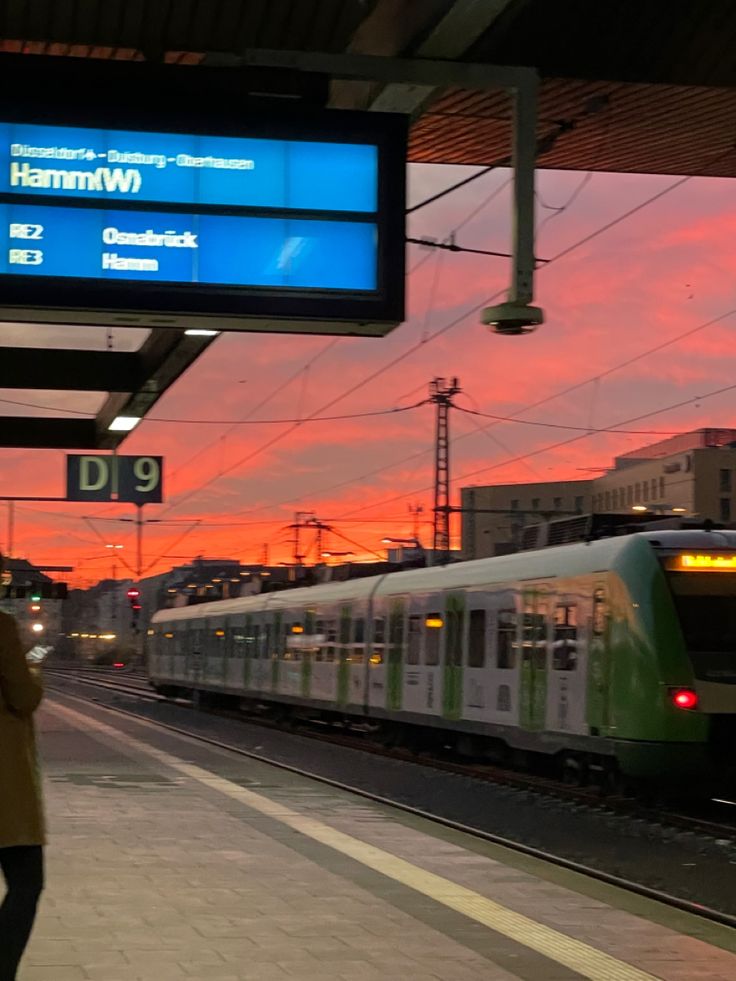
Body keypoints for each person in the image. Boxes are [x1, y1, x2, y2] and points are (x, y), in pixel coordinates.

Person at [0, 561, 45, 981]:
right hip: (3, 790)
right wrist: (33, 668)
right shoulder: (2, 628)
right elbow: (23, 697)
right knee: (27, 882)